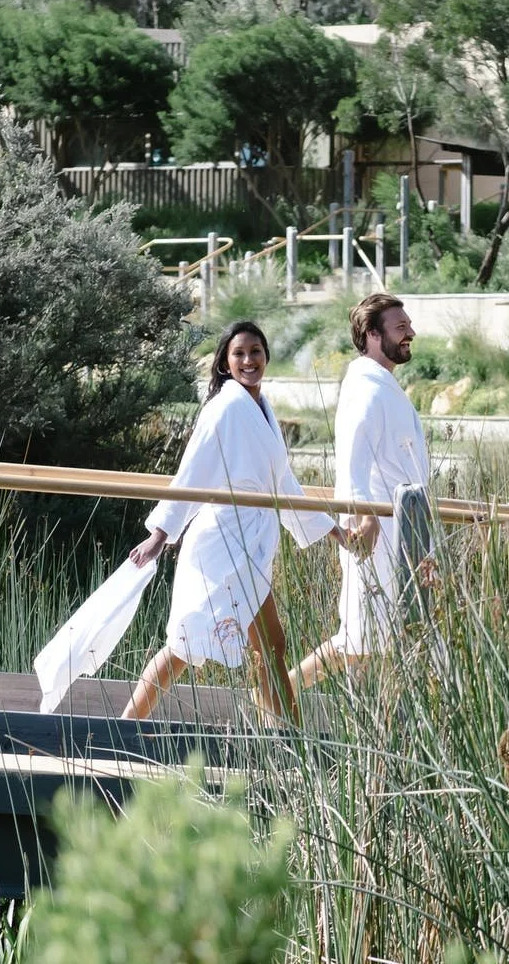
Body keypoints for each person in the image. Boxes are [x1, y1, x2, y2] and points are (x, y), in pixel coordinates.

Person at [122, 320, 348, 723]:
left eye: (256, 352)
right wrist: (160, 534)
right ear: (226, 363)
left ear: (265, 357)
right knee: (184, 648)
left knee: (271, 645)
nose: (249, 360)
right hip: (221, 544)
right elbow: (191, 473)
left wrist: (334, 531)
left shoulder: (261, 409)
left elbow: (284, 485)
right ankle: (123, 726)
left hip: (252, 546)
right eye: (239, 354)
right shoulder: (224, 410)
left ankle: (286, 736)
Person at [291, 293, 430, 691]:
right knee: (358, 638)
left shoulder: (383, 385)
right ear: (371, 334)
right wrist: (364, 514)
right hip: (374, 533)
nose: (411, 334)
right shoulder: (365, 387)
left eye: (409, 326)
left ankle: (374, 732)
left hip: (401, 530)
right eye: (400, 328)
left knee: (378, 638)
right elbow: (353, 457)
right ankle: (275, 696)